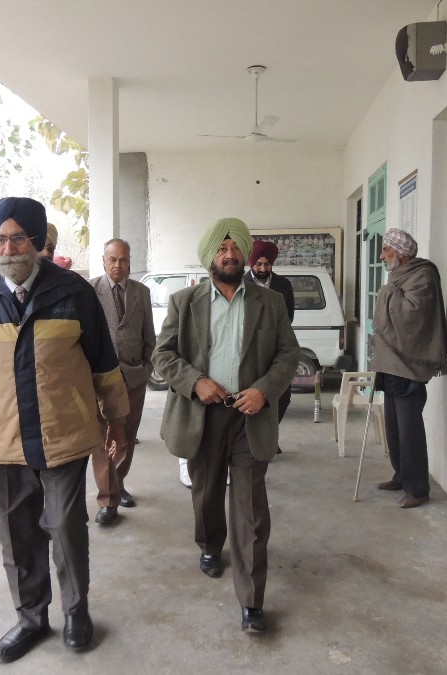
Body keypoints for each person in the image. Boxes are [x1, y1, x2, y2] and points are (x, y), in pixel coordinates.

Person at [0, 197, 129, 663]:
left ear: (38, 241)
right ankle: (31, 619)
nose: (8, 249)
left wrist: (117, 422)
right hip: (6, 443)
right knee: (18, 536)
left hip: (64, 437)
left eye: (18, 238)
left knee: (66, 529)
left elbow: (104, 365)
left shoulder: (74, 293)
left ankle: (76, 611)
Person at [153, 217, 299, 633]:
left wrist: (264, 390)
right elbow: (162, 356)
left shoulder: (270, 302)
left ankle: (252, 601)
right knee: (207, 492)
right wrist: (195, 381)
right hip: (203, 415)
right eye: (221, 248)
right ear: (209, 256)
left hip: (250, 416)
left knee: (251, 507)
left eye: (236, 248)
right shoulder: (184, 302)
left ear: (246, 254)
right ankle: (210, 544)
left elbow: (288, 355)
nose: (230, 255)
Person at [372, 228, 447, 509]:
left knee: (409, 431)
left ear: (401, 254)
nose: (382, 256)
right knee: (393, 428)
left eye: (386, 250)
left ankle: (418, 489)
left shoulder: (423, 276)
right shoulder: (399, 276)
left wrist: (388, 293)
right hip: (391, 366)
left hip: (409, 368)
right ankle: (401, 476)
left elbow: (411, 317)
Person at [89, 239, 156, 524]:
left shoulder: (142, 292)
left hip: (134, 377)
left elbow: (149, 334)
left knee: (127, 435)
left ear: (130, 262)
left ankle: (118, 483)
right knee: (104, 437)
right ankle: (108, 500)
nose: (118, 265)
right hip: (100, 380)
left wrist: (145, 368)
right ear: (104, 261)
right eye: (113, 259)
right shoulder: (90, 290)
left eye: (124, 260)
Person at [245, 239, 295, 450]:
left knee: (282, 396)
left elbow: (289, 316)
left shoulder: (284, 285)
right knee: (251, 395)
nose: (263, 269)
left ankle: (268, 437)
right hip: (248, 351)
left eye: (267, 264)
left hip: (275, 349)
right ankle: (251, 442)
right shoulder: (241, 283)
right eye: (259, 264)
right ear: (251, 264)